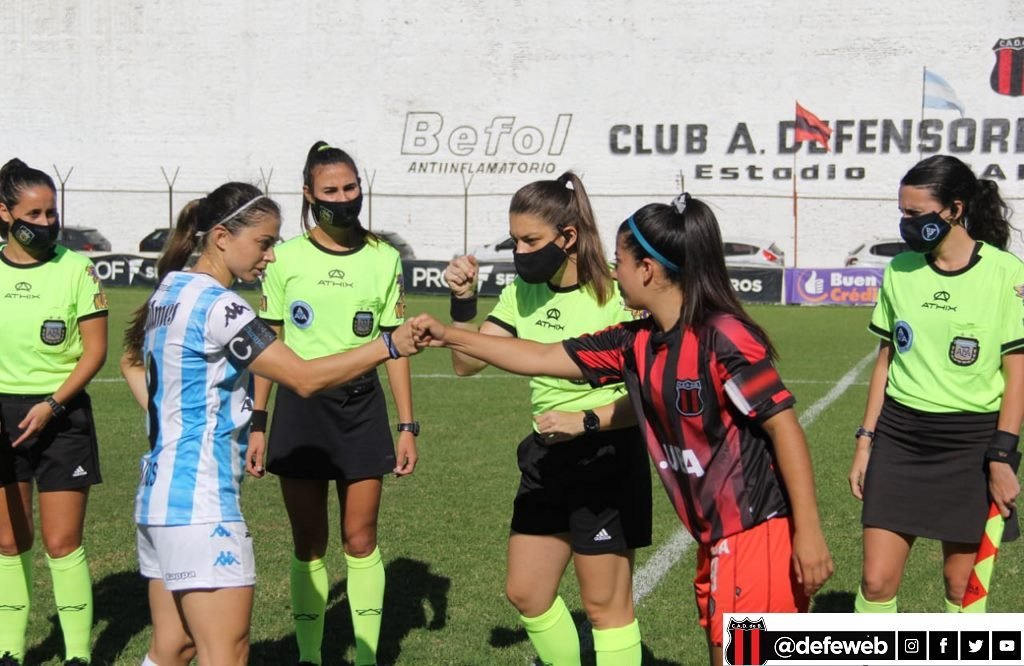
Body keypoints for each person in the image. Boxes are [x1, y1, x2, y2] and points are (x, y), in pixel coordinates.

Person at [411, 193, 833, 666]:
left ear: (647, 270)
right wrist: (448, 334)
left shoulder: (723, 337)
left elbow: (784, 429)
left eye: (620, 262)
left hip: (756, 534)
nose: (614, 272)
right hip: (716, 537)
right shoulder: (636, 342)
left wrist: (808, 533)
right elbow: (541, 356)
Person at [120, 182, 419, 666]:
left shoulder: (170, 291)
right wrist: (388, 345)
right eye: (263, 243)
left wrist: (177, 419)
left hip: (157, 498)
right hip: (201, 503)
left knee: (173, 648)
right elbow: (302, 377)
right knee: (226, 653)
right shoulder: (221, 306)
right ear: (221, 237)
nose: (271, 256)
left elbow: (131, 363)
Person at [443, 171, 651, 666]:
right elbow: (466, 363)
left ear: (568, 237)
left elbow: (650, 393)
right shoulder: (522, 292)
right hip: (546, 456)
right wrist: (463, 301)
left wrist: (587, 421)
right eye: (514, 240)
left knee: (605, 606)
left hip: (606, 455)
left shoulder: (618, 292)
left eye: (531, 241)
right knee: (527, 592)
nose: (520, 251)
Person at [251, 141, 416, 666]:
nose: (343, 198)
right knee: (308, 542)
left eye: (351, 188)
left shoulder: (384, 258)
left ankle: (365, 659)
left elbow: (394, 348)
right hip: (300, 411)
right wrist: (258, 422)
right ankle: (309, 656)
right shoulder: (285, 258)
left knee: (360, 539)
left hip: (361, 407)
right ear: (308, 194)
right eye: (331, 190)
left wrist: (407, 425)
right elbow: (268, 344)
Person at [848, 154, 1024, 614]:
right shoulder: (900, 270)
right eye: (902, 213)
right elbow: (886, 360)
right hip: (900, 438)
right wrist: (866, 442)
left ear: (955, 209)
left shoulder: (1007, 273)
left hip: (971, 444)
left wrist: (1002, 456)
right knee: (876, 581)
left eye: (916, 213)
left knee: (961, 586)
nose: (906, 223)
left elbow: (1017, 373)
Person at [0, 158, 108, 666]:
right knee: (8, 541)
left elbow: (95, 351)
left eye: (51, 212)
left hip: (61, 415)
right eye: (34, 214)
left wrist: (51, 404)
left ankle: (78, 654)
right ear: (5, 213)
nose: (46, 223)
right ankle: (9, 649)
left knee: (63, 542)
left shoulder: (76, 268)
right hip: (3, 414)